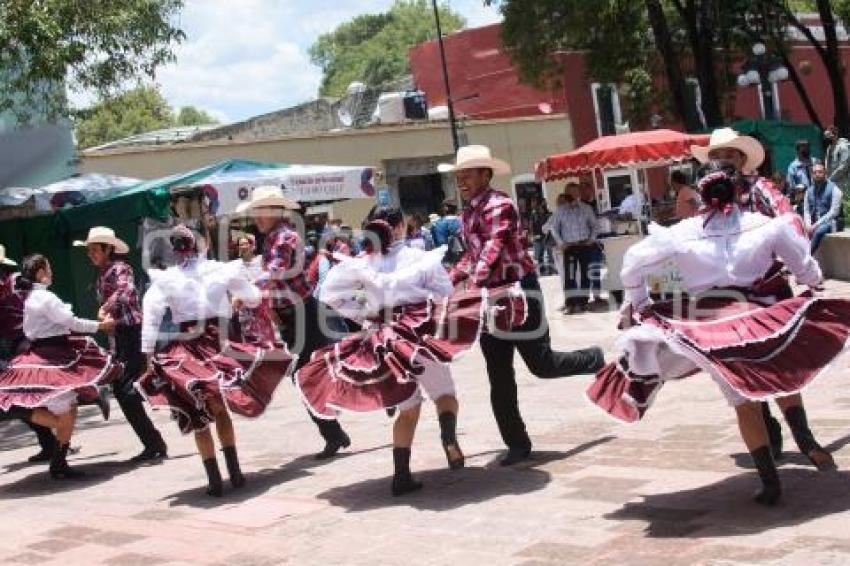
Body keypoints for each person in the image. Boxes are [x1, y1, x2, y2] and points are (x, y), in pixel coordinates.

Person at [588, 164, 846, 506]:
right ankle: (805, 439)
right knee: (781, 375)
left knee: (744, 403)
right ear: (736, 192)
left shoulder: (683, 232)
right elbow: (801, 261)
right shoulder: (763, 225)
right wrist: (813, 285)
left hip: (709, 325)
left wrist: (641, 304)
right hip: (760, 314)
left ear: (702, 199)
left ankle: (770, 482)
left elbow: (634, 264)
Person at [298, 208, 491, 495]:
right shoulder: (419, 256)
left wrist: (365, 315)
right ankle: (449, 438)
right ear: (400, 226)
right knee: (445, 394)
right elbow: (444, 292)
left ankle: (401, 475)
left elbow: (334, 296)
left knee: (408, 408)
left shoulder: (361, 263)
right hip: (418, 332)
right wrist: (427, 304)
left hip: (384, 336)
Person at [439, 145, 605, 466]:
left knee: (541, 365)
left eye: (468, 173)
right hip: (490, 299)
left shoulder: (500, 205)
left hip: (520, 293)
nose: (461, 179)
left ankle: (592, 358)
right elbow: (472, 256)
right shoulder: (468, 212)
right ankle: (516, 442)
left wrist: (472, 281)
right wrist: (449, 280)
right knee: (498, 373)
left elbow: (492, 248)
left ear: (486, 174)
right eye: (459, 174)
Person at [138, 225, 294, 496]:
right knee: (219, 407)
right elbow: (254, 297)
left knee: (196, 414)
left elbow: (150, 319)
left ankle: (214, 480)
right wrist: (239, 300)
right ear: (203, 243)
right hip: (216, 342)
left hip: (184, 348)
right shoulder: (219, 270)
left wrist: (149, 356)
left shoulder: (167, 278)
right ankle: (234, 473)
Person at [691, 127, 815, 459]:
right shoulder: (706, 198)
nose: (724, 161)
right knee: (743, 369)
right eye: (718, 156)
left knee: (781, 362)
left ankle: (803, 437)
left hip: (767, 289)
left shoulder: (761, 190)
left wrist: (788, 254)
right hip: (727, 299)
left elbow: (789, 223)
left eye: (730, 155)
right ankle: (769, 434)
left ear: (743, 160)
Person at [236, 185, 352, 459]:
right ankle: (334, 431)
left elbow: (275, 272)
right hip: (293, 316)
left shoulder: (284, 237)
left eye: (261, 212)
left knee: (306, 376)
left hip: (304, 315)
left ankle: (336, 430)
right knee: (310, 375)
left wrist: (245, 292)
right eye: (255, 213)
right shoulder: (273, 237)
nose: (257, 218)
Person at [0, 254, 120, 479]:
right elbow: (71, 322)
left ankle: (59, 460)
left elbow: (34, 328)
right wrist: (101, 326)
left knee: (69, 407)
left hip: (46, 350)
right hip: (49, 354)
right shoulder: (44, 298)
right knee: (63, 410)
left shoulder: (31, 297)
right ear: (40, 273)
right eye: (48, 268)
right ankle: (59, 456)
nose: (51, 272)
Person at [74, 227, 168, 463]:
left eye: (96, 249)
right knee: (123, 390)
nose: (92, 254)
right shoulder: (104, 273)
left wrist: (105, 307)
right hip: (120, 337)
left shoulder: (120, 268)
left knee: (125, 390)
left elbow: (126, 293)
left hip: (132, 334)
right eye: (90, 250)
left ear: (108, 249)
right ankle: (153, 442)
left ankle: (154, 442)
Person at [0, 246, 60, 463]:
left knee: (21, 397)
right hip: (18, 342)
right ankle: (51, 443)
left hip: (28, 341)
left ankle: (57, 440)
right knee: (23, 399)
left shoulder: (16, 282)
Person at [550, 183, 597, 314]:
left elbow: (594, 225)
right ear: (566, 193)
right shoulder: (560, 210)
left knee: (585, 275)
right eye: (570, 192)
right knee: (569, 276)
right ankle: (571, 304)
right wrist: (561, 243)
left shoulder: (586, 208)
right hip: (569, 247)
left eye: (575, 192)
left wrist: (591, 239)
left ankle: (583, 302)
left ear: (578, 193)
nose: (572, 195)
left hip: (584, 245)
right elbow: (554, 228)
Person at [804, 162, 844, 253]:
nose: (817, 174)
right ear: (811, 174)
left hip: (833, 223)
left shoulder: (835, 189)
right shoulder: (808, 191)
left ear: (825, 173)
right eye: (814, 172)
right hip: (815, 224)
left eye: (820, 172)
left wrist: (815, 225)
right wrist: (808, 225)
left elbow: (834, 212)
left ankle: (805, 258)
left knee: (819, 231)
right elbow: (806, 211)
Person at [824, 125, 850, 193]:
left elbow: (844, 166)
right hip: (830, 181)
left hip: (841, 183)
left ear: (834, 135)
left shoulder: (843, 147)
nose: (827, 138)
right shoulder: (829, 148)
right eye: (825, 136)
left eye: (828, 135)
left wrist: (831, 178)